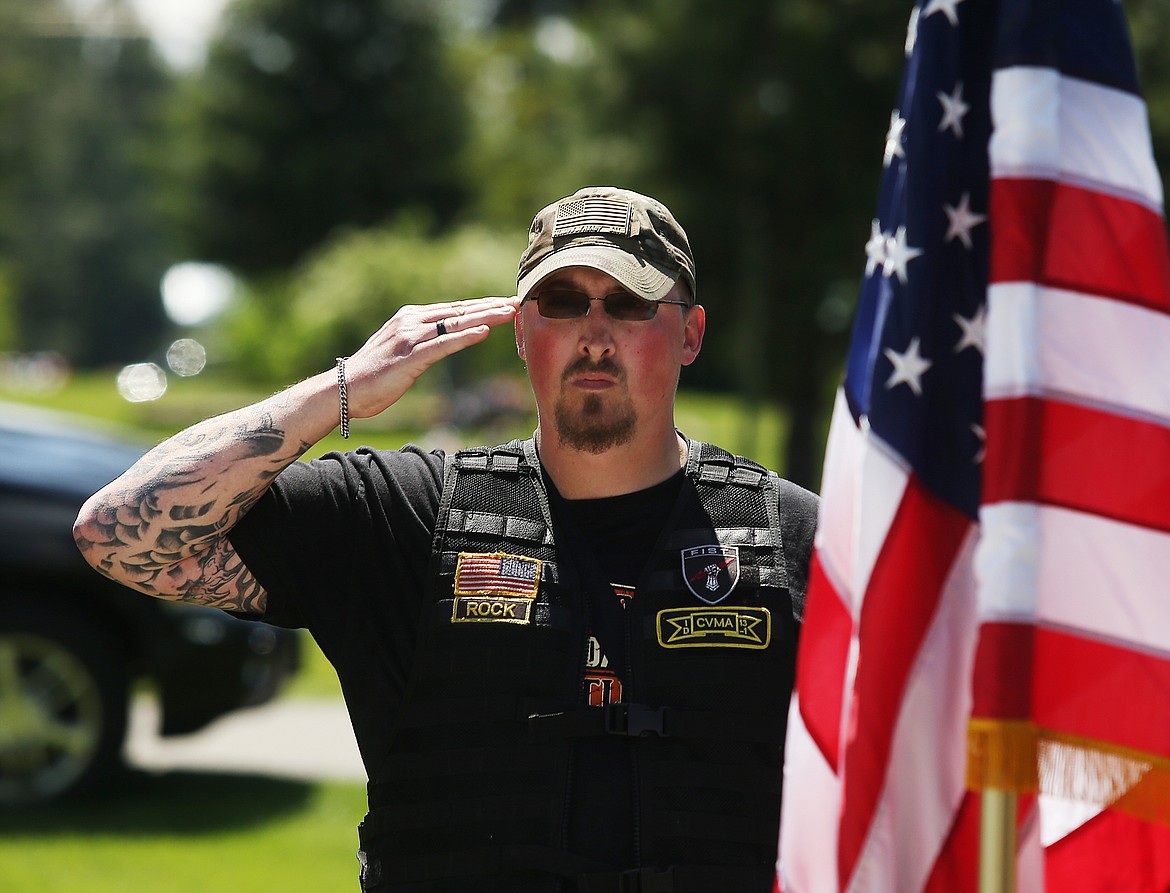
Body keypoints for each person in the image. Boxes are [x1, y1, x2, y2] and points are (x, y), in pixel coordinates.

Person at [74, 185, 819, 893]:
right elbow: (115, 534)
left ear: (690, 334)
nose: (594, 337)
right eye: (562, 303)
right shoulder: (406, 515)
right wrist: (340, 390)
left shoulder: (796, 539)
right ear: (522, 332)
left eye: (629, 304)